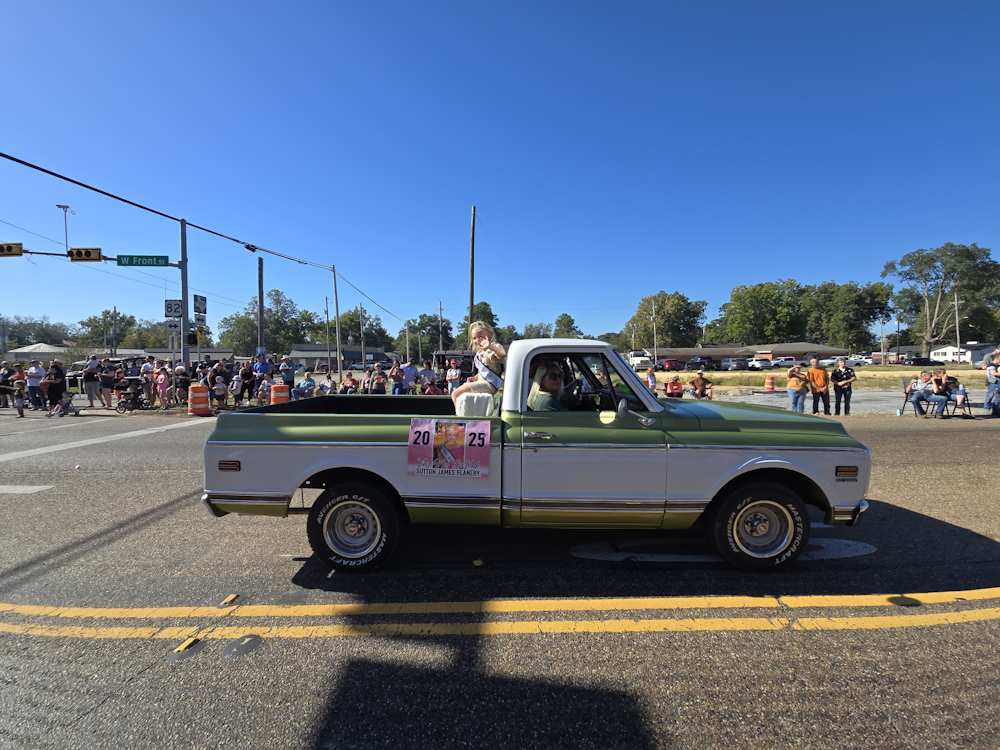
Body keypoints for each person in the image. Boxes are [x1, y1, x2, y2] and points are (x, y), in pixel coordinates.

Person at [451, 321, 506, 407]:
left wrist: (490, 347)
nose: (477, 340)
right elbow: (483, 372)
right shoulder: (478, 353)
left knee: (455, 394)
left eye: (480, 336)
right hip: (482, 383)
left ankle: (459, 415)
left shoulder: (494, 347)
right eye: (474, 338)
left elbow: (501, 354)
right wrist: (475, 377)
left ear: (489, 335)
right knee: (463, 396)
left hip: (491, 385)